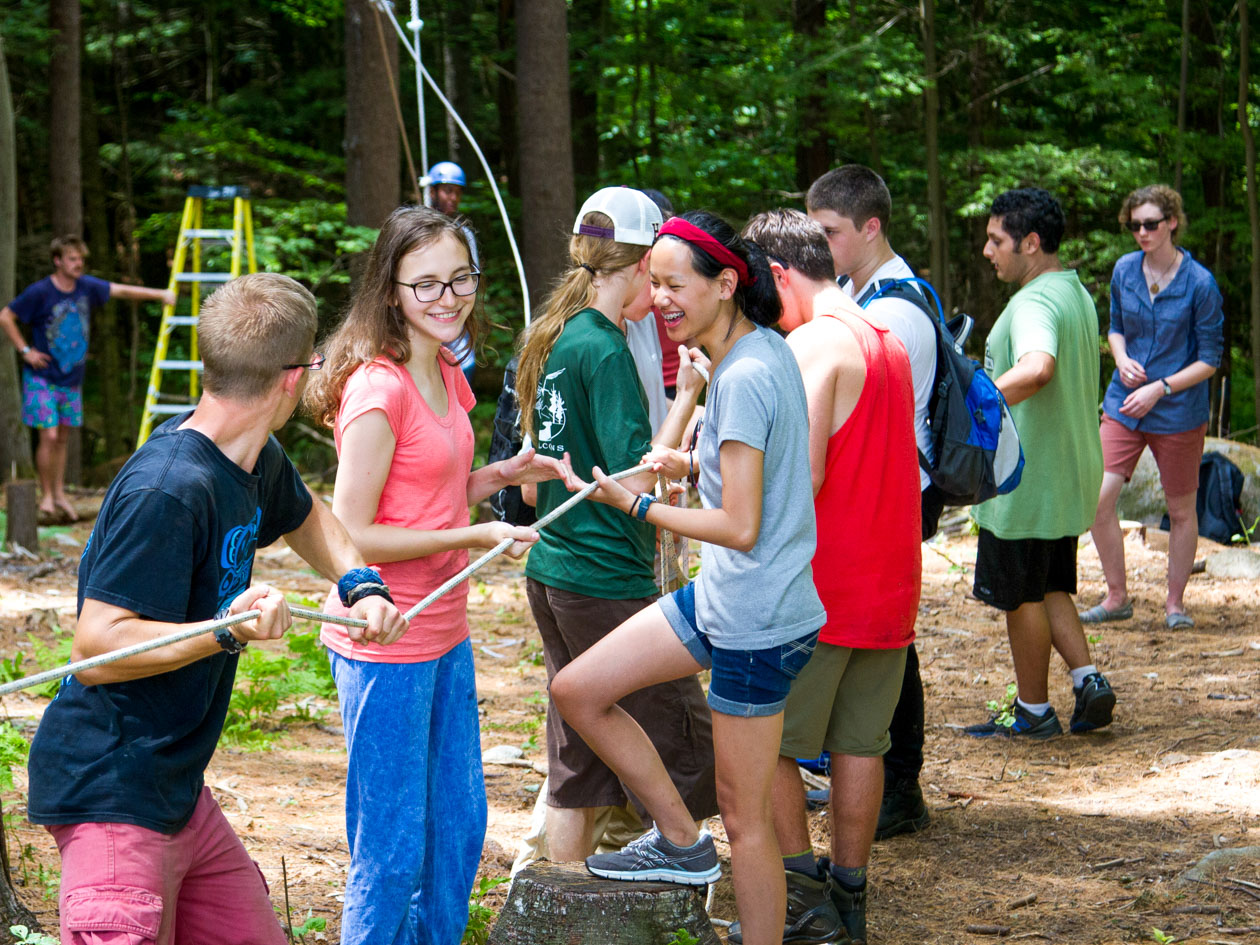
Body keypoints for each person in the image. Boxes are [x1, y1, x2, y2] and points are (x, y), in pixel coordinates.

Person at [25, 272, 408, 945]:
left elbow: (308, 515)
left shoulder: (254, 456)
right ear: (296, 376)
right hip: (113, 788)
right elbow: (97, 644)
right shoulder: (168, 489)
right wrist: (225, 631)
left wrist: (362, 583)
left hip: (177, 791)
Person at [550, 211, 825, 945]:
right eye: (653, 284)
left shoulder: (743, 376)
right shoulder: (761, 351)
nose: (662, 299)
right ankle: (679, 840)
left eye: (675, 284)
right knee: (577, 688)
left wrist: (638, 501)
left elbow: (740, 523)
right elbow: (757, 483)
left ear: (726, 282)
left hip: (757, 621)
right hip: (731, 597)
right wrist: (686, 464)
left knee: (746, 814)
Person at [303, 205, 574, 945]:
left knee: (457, 830)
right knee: (391, 851)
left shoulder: (447, 368)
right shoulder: (376, 387)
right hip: (382, 637)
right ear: (390, 289)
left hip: (444, 632)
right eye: (426, 285)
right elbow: (351, 529)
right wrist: (475, 531)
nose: (448, 297)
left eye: (460, 279)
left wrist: (503, 473)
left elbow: (431, 486)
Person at [510, 187, 717, 870]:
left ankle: (563, 894)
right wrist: (687, 400)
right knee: (677, 733)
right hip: (604, 579)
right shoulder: (605, 349)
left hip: (556, 572)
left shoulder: (563, 336)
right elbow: (634, 483)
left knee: (578, 746)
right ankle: (692, 862)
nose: (659, 295)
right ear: (637, 266)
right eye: (655, 276)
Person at [731, 208, 920, 944]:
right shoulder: (888, 338)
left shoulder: (811, 344)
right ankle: (851, 894)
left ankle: (803, 897)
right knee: (860, 744)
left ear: (780, 275)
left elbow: (797, 474)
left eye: (757, 290)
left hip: (819, 587)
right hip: (888, 580)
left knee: (773, 741)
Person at [806, 164, 939, 842]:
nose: (819, 244)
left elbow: (885, 423)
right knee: (881, 648)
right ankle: (888, 785)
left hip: (887, 496)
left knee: (886, 649)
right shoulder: (869, 298)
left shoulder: (889, 310)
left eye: (829, 231)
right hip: (881, 495)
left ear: (870, 227)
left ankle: (902, 783)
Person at [966, 188, 1116, 739]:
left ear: (1031, 243)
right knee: (1051, 584)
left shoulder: (1030, 303)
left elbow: (1036, 368)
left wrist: (973, 403)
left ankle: (1031, 711)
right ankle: (1088, 678)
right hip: (1068, 474)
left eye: (996, 240)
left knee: (1020, 595)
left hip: (1024, 483)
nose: (987, 251)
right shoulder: (1071, 290)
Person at [1082, 185, 1223, 630]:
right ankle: (1117, 596)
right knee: (1097, 500)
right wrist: (1121, 359)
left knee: (1181, 510)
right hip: (1124, 403)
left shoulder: (1200, 283)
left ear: (1172, 223)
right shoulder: (1125, 269)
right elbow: (1116, 329)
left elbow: (1209, 360)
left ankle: (1175, 604)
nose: (1141, 232)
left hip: (1178, 411)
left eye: (1150, 224)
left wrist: (1161, 388)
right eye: (1135, 225)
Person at [0, 235, 175, 521]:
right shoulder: (40, 291)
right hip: (42, 376)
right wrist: (25, 350)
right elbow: (6, 316)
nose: (78, 264)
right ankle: (46, 496)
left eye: (80, 259)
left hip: (71, 378)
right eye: (72, 259)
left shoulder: (85, 287)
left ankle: (59, 494)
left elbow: (121, 290)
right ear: (57, 261)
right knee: (50, 433)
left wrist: (160, 295)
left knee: (63, 437)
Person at [426, 161, 480, 386]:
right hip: (426, 313)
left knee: (464, 365)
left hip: (454, 316)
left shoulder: (464, 234)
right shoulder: (418, 232)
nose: (453, 198)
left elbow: (473, 276)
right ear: (432, 192)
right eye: (448, 191)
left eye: (457, 192)